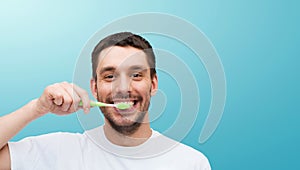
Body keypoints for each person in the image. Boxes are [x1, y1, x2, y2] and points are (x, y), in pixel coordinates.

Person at [0, 32, 211, 170]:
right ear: (94, 88)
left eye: (136, 75)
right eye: (110, 76)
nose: (122, 88)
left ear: (153, 84)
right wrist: (37, 108)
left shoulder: (190, 163)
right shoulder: (59, 151)